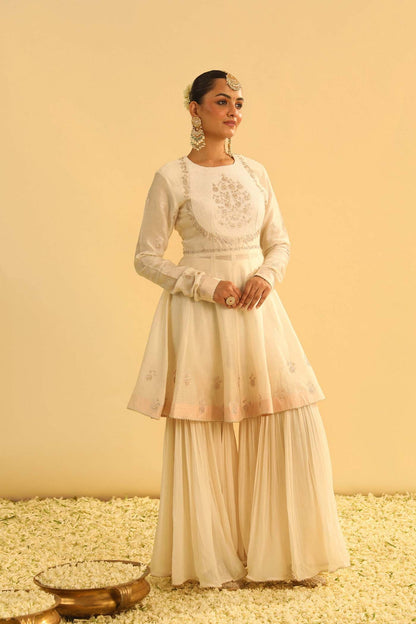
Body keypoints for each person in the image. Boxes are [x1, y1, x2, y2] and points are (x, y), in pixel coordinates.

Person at [126, 70, 351, 590]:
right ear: (195, 109)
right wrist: (206, 285)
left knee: (287, 414)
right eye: (222, 101)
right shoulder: (173, 177)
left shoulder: (255, 172)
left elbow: (280, 242)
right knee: (204, 425)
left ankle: (286, 555)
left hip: (257, 308)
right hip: (201, 313)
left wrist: (265, 276)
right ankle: (210, 560)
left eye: (239, 103)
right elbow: (145, 257)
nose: (234, 112)